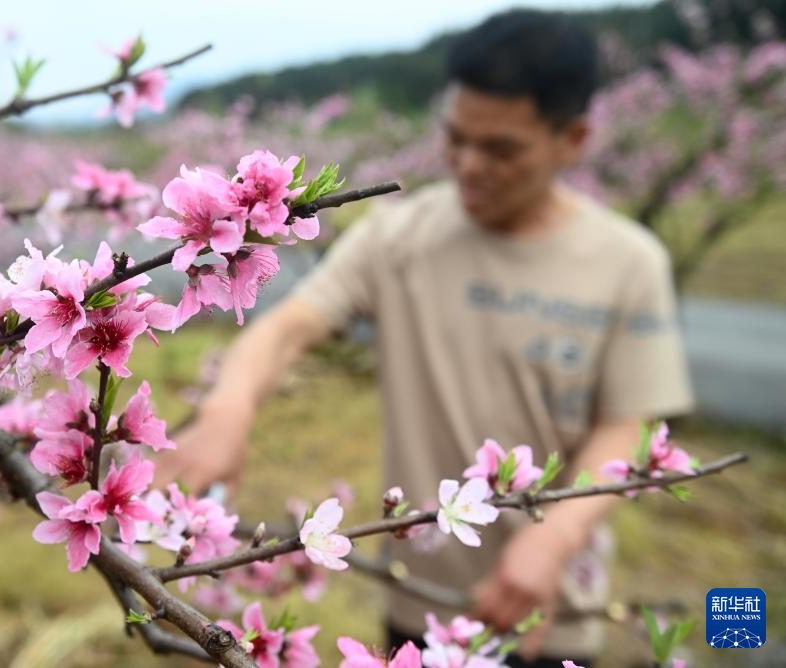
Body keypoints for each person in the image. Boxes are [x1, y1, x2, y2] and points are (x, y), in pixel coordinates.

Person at [156, 8, 694, 666]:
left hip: (544, 607)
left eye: (501, 149)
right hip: (419, 601)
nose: (468, 165)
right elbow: (290, 328)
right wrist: (229, 407)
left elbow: (629, 422)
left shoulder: (628, 262)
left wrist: (554, 538)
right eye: (456, 138)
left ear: (572, 138)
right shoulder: (399, 237)